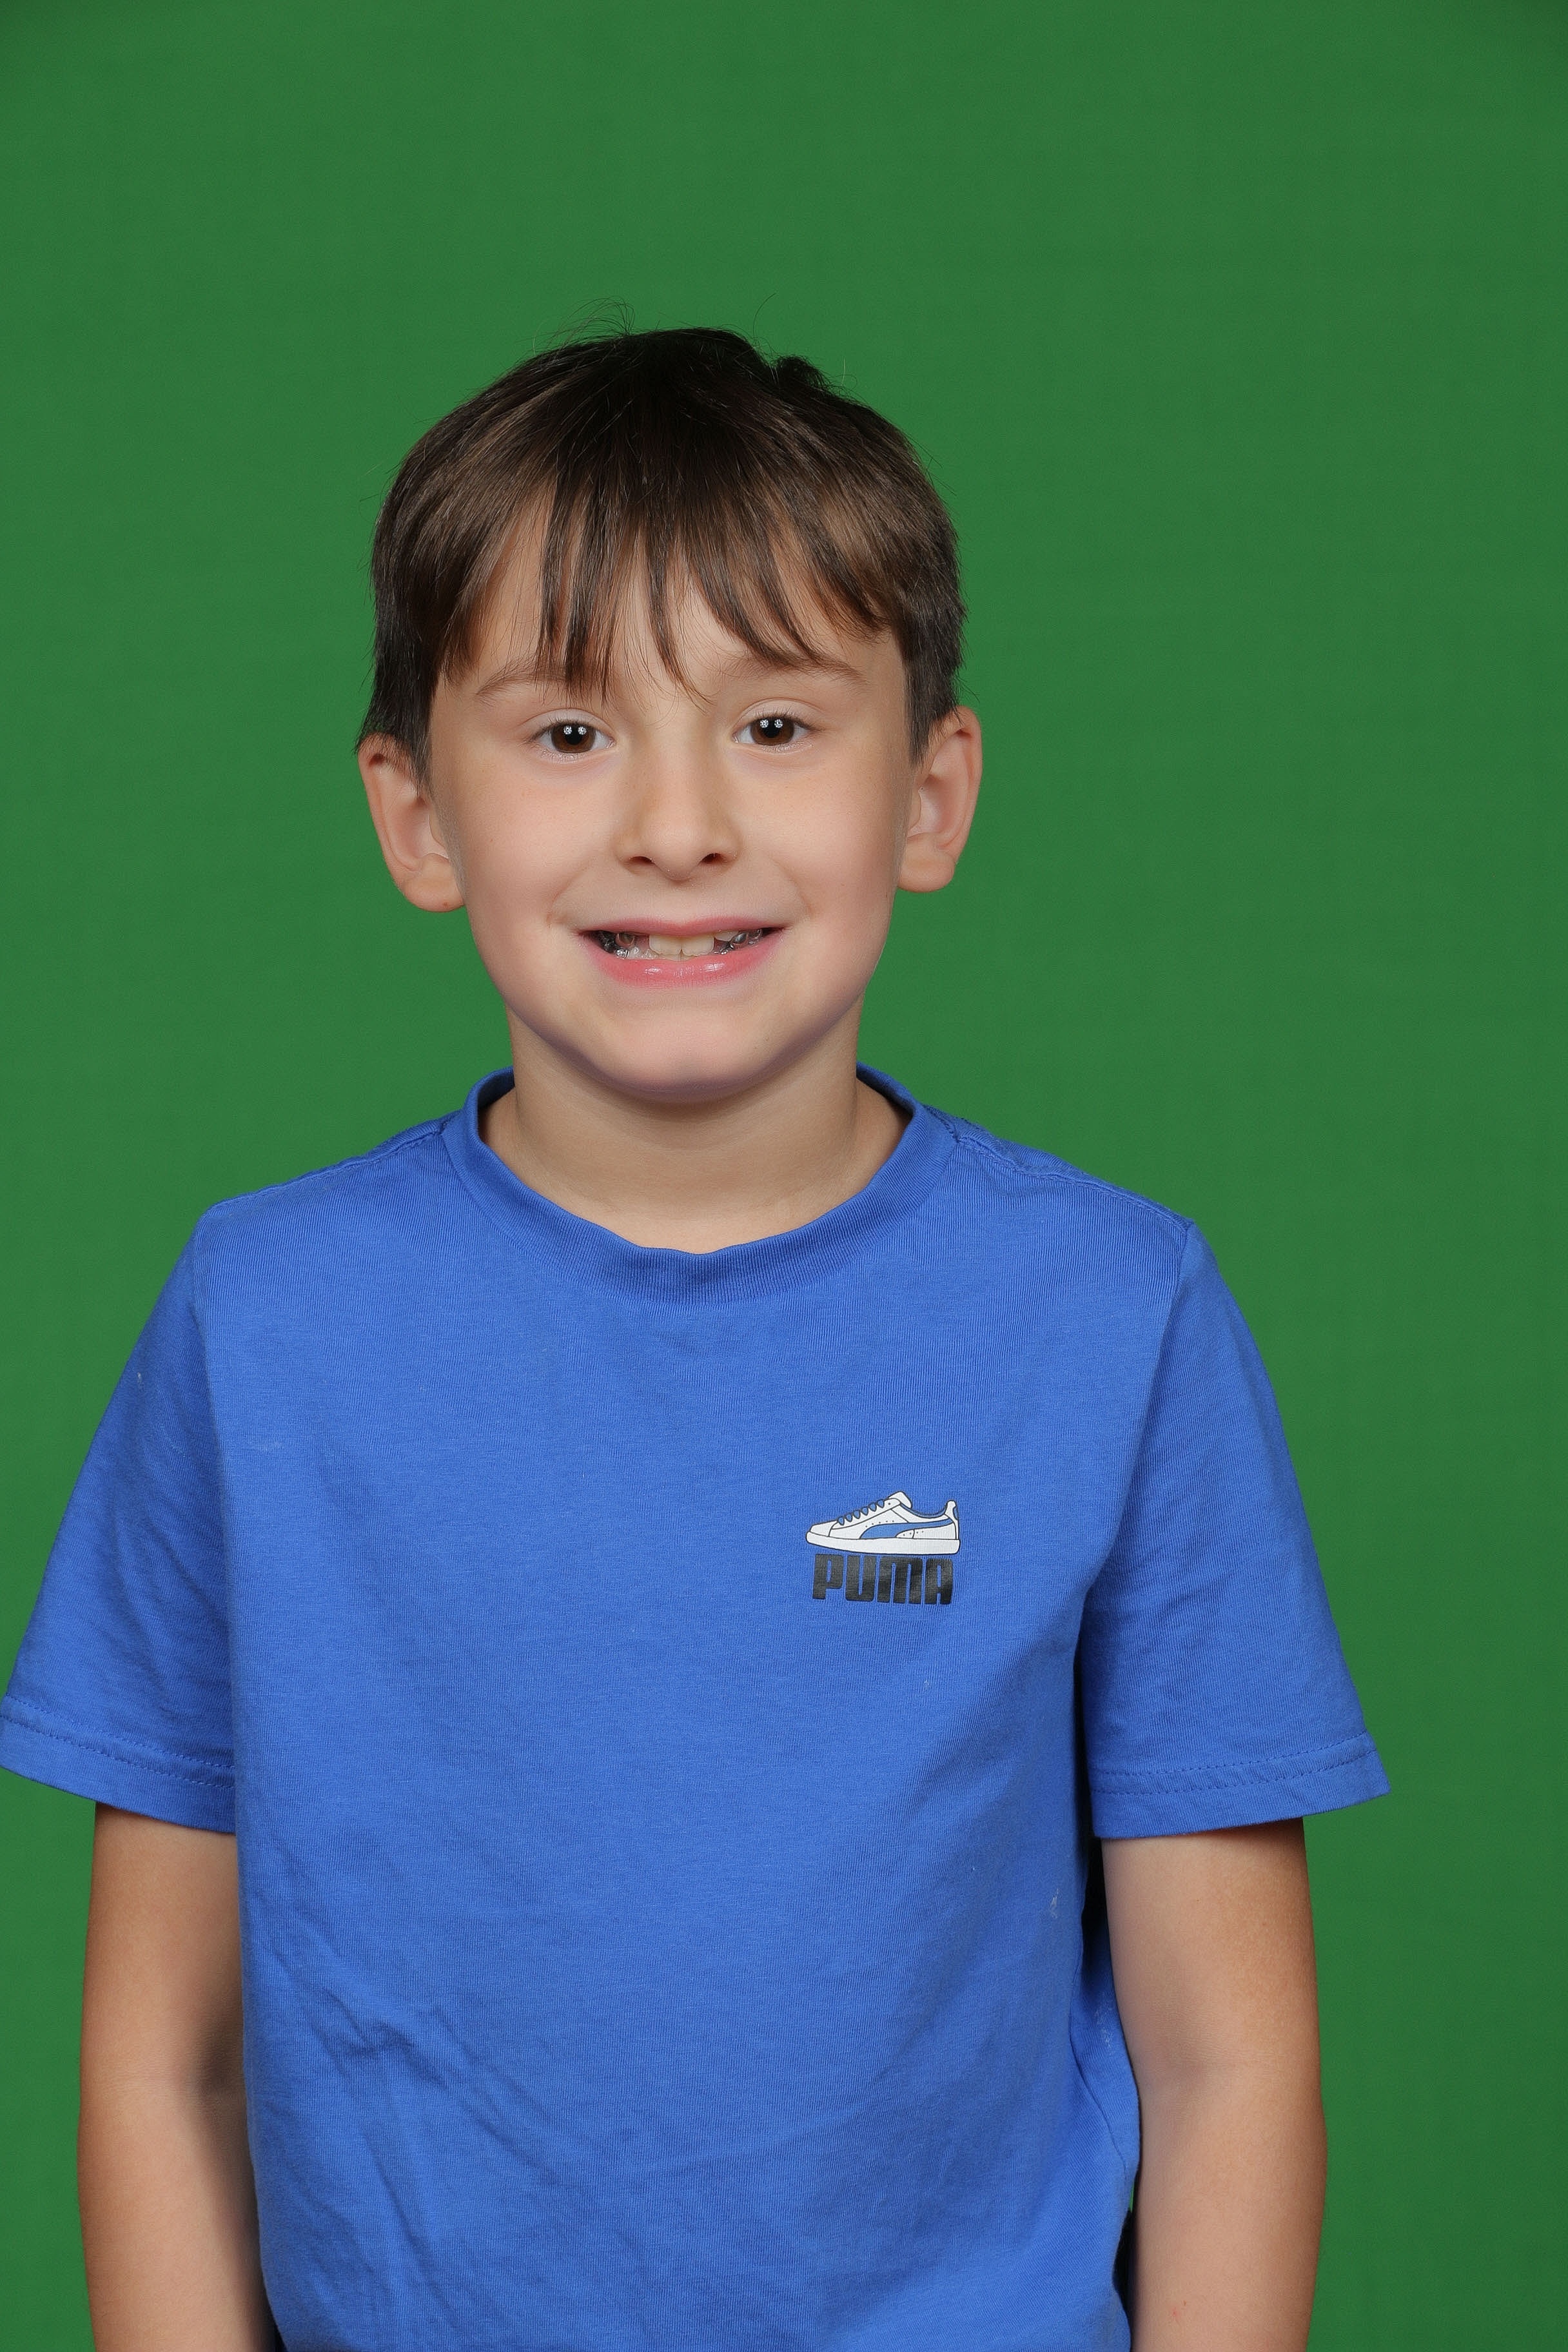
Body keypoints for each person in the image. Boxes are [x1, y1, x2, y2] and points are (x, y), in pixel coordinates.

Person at [0, 326, 1387, 2352]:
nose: (676, 823)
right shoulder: (261, 1321)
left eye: (776, 725)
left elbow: (1227, 2061)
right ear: (417, 814)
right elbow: (163, 2064)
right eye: (570, 731)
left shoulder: (1114, 1313)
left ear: (931, 794)